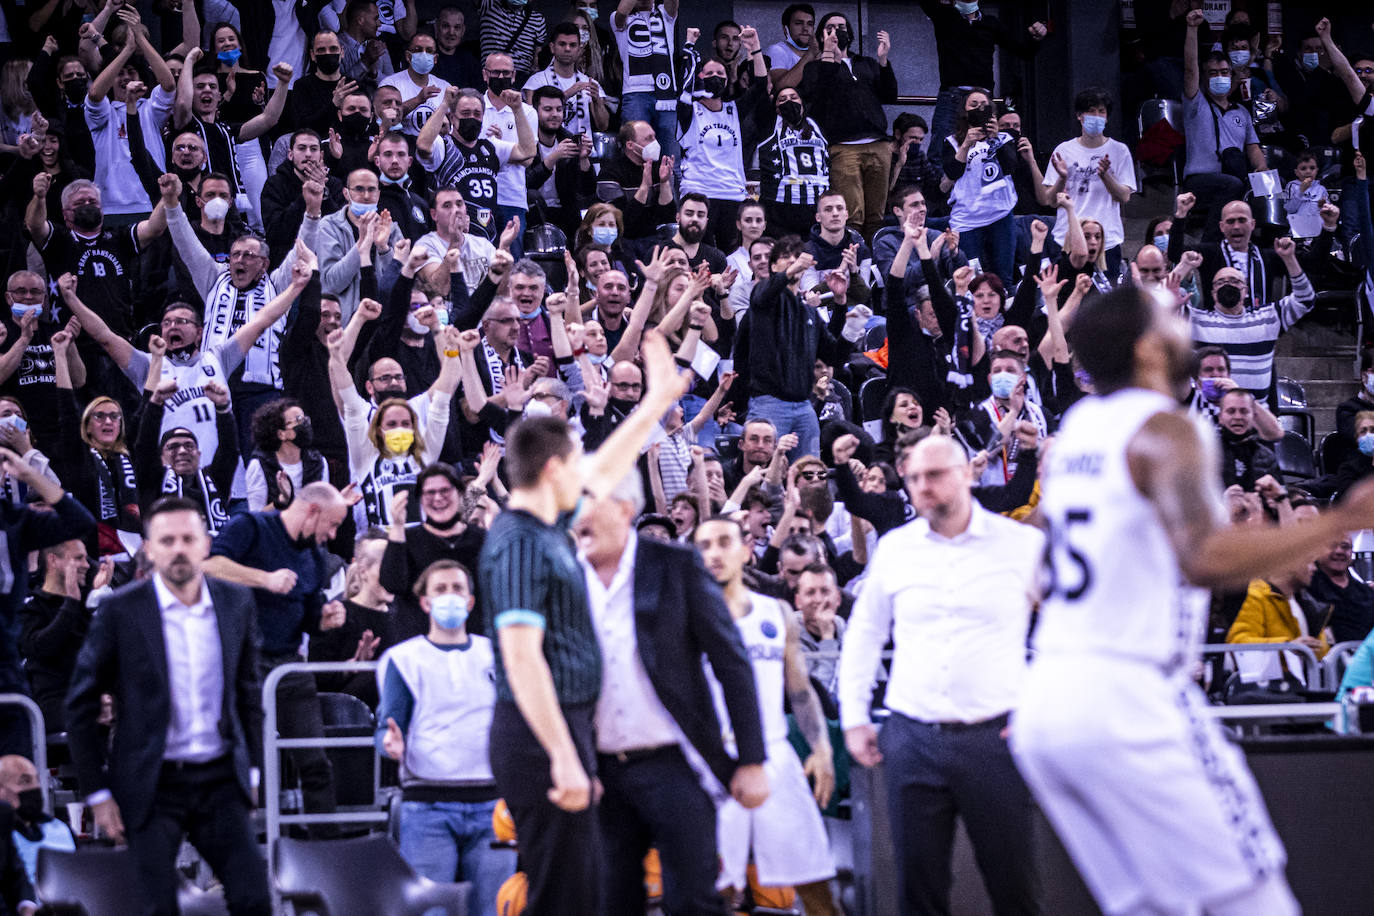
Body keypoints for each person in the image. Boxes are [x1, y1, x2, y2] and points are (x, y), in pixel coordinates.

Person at [1008, 284, 1374, 916]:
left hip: (1047, 703)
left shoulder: (1076, 429)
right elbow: (1202, 559)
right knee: (1255, 899)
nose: (1186, 328)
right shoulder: (1168, 429)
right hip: (1129, 695)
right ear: (1151, 348)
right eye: (1173, 320)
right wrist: (1339, 520)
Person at [477, 330, 686, 916]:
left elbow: (605, 466)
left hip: (562, 727)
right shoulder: (519, 542)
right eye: (573, 461)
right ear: (551, 470)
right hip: (537, 733)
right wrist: (564, 755)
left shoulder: (544, 525)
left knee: (582, 889)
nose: (586, 474)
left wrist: (655, 403)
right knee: (561, 895)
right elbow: (522, 659)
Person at [840, 433, 1045, 914]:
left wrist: (1043, 704)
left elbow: (1068, 625)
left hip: (997, 736)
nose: (921, 487)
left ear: (969, 473)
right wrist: (853, 716)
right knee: (917, 890)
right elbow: (865, 634)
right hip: (912, 735)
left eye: (934, 475)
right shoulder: (894, 549)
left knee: (1015, 885)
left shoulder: (1022, 546)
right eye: (912, 478)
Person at [573, 470, 768, 915]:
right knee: (609, 902)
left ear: (624, 509)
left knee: (694, 900)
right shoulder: (566, 575)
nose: (577, 512)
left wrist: (752, 760)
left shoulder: (675, 564)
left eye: (588, 500)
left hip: (674, 761)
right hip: (598, 768)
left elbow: (732, 663)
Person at [65, 497, 270, 916]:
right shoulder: (121, 611)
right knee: (155, 907)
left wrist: (252, 770)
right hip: (151, 781)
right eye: (167, 540)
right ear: (150, 549)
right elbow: (80, 705)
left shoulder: (235, 603)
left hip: (220, 778)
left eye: (187, 538)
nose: (178, 548)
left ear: (205, 544)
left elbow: (249, 692)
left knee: (254, 898)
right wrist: (98, 793)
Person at [693, 515, 839, 915]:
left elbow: (800, 688)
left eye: (724, 542)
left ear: (746, 549)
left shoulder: (777, 613)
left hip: (774, 754)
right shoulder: (682, 618)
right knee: (713, 893)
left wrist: (821, 748)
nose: (714, 553)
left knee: (817, 887)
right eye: (703, 546)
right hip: (712, 760)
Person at [202, 483, 353, 831]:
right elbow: (210, 566)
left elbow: (308, 614)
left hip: (288, 664)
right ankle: (255, 846)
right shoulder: (252, 527)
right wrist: (264, 579)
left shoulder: (315, 556)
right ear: (311, 510)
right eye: (331, 525)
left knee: (315, 760)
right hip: (242, 663)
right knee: (254, 761)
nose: (331, 535)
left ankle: (326, 849)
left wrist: (324, 618)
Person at [375, 559, 513, 915]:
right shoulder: (403, 659)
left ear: (470, 601)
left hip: (492, 805)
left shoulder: (496, 655)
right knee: (430, 912)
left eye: (457, 589)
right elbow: (386, 727)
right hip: (428, 806)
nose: (449, 596)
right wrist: (389, 744)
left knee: (495, 910)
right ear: (424, 601)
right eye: (440, 589)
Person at [0, 447, 93, 757]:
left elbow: (81, 524)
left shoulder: (13, 520)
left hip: (5, 667)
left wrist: (31, 476)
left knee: (21, 770)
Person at [798, 14, 896, 239]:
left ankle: (875, 267)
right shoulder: (814, 68)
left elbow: (889, 95)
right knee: (852, 215)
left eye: (841, 27)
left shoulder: (865, 63)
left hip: (878, 144)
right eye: (830, 28)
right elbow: (818, 97)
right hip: (843, 146)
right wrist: (830, 56)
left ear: (849, 33)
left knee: (877, 216)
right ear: (822, 35)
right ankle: (855, 265)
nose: (836, 31)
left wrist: (883, 60)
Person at [1181, 9, 1266, 240]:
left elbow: (1253, 148)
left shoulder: (1241, 112)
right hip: (1199, 182)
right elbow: (1190, 68)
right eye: (1214, 73)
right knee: (1231, 185)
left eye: (1224, 72)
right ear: (1206, 77)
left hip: (1233, 178)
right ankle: (1210, 244)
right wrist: (1192, 29)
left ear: (1231, 75)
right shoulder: (1195, 104)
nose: (1220, 76)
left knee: (1269, 191)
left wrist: (1264, 171)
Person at [19, 539, 111, 734]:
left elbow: (107, 652)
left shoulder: (84, 605)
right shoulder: (31, 609)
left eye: (86, 559)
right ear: (53, 560)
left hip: (93, 697)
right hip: (54, 705)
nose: (87, 565)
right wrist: (70, 603)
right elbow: (39, 648)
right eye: (78, 558)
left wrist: (98, 597)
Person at [1042, 88, 1136, 278]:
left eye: (1102, 112)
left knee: (1106, 302)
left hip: (1106, 241)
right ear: (1079, 116)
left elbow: (1124, 196)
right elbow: (1051, 200)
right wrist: (1061, 177)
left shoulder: (1119, 150)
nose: (1097, 116)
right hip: (1068, 239)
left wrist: (1105, 176)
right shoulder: (1064, 150)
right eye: (1091, 111)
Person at [613, 0, 681, 162]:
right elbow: (621, 13)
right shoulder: (620, 18)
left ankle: (669, 188)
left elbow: (672, 3)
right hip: (635, 94)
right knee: (635, 155)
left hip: (666, 96)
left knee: (671, 158)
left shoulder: (664, 15)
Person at [1, 754, 75, 887]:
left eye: (37, 780)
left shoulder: (60, 829)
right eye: (25, 781)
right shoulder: (4, 840)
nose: (36, 787)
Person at [1308, 534, 1374, 645]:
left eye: (1345, 547)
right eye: (1331, 546)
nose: (1339, 551)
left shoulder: (1366, 592)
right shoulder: (1307, 589)